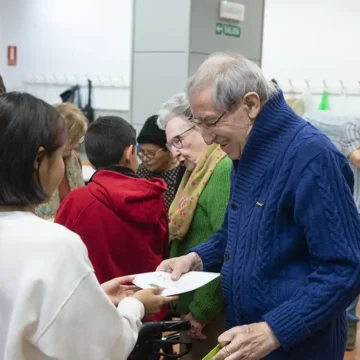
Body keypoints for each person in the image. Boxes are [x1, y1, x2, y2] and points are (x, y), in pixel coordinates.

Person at [157, 53, 360, 360]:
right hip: (250, 340)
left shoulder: (313, 158)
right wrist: (196, 258)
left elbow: (346, 267)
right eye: (199, 124)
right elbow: (235, 231)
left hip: (296, 347)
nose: (208, 138)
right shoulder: (245, 152)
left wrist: (274, 330)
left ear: (250, 105)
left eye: (211, 122)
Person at [0, 92, 177, 360]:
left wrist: (94, 298)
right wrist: (134, 306)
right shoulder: (53, 245)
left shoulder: (73, 208)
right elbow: (108, 346)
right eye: (62, 156)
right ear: (38, 161)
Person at [157, 92, 232, 359]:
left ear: (201, 125)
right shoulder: (195, 172)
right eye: (170, 145)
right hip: (188, 304)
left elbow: (228, 247)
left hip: (209, 310)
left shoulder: (221, 170)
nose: (175, 152)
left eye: (179, 140)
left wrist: (202, 310)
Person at [55, 116, 169, 289]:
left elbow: (59, 260)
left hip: (94, 305)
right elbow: (164, 255)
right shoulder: (153, 198)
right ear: (129, 153)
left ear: (91, 163)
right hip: (146, 304)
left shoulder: (77, 201)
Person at [36, 103, 87, 220]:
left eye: (79, 139)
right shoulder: (36, 162)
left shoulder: (74, 159)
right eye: (73, 138)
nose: (76, 145)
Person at [340, 120, 360, 350]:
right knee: (352, 273)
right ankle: (348, 332)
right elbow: (357, 157)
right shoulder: (353, 126)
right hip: (356, 214)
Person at [137, 114, 183, 210]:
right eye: (141, 152)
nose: (145, 159)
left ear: (169, 150)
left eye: (151, 153)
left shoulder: (182, 174)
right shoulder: (140, 171)